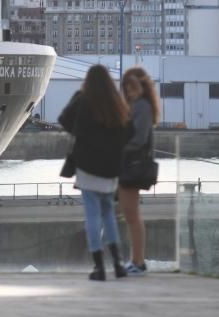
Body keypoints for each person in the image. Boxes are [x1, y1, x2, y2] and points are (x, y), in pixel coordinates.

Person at [59, 64, 131, 281]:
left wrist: (78, 97)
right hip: (110, 170)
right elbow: (127, 133)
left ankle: (99, 267)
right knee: (109, 214)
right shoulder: (117, 104)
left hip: (87, 166)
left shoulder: (83, 100)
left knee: (92, 215)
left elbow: (64, 120)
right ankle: (118, 263)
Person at [118, 67, 161, 276]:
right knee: (130, 215)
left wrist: (118, 147)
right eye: (126, 87)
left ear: (142, 87)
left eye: (132, 86)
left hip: (132, 166)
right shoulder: (137, 105)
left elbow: (140, 138)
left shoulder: (141, 107)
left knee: (132, 216)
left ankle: (138, 261)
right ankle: (136, 260)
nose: (129, 90)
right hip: (129, 165)